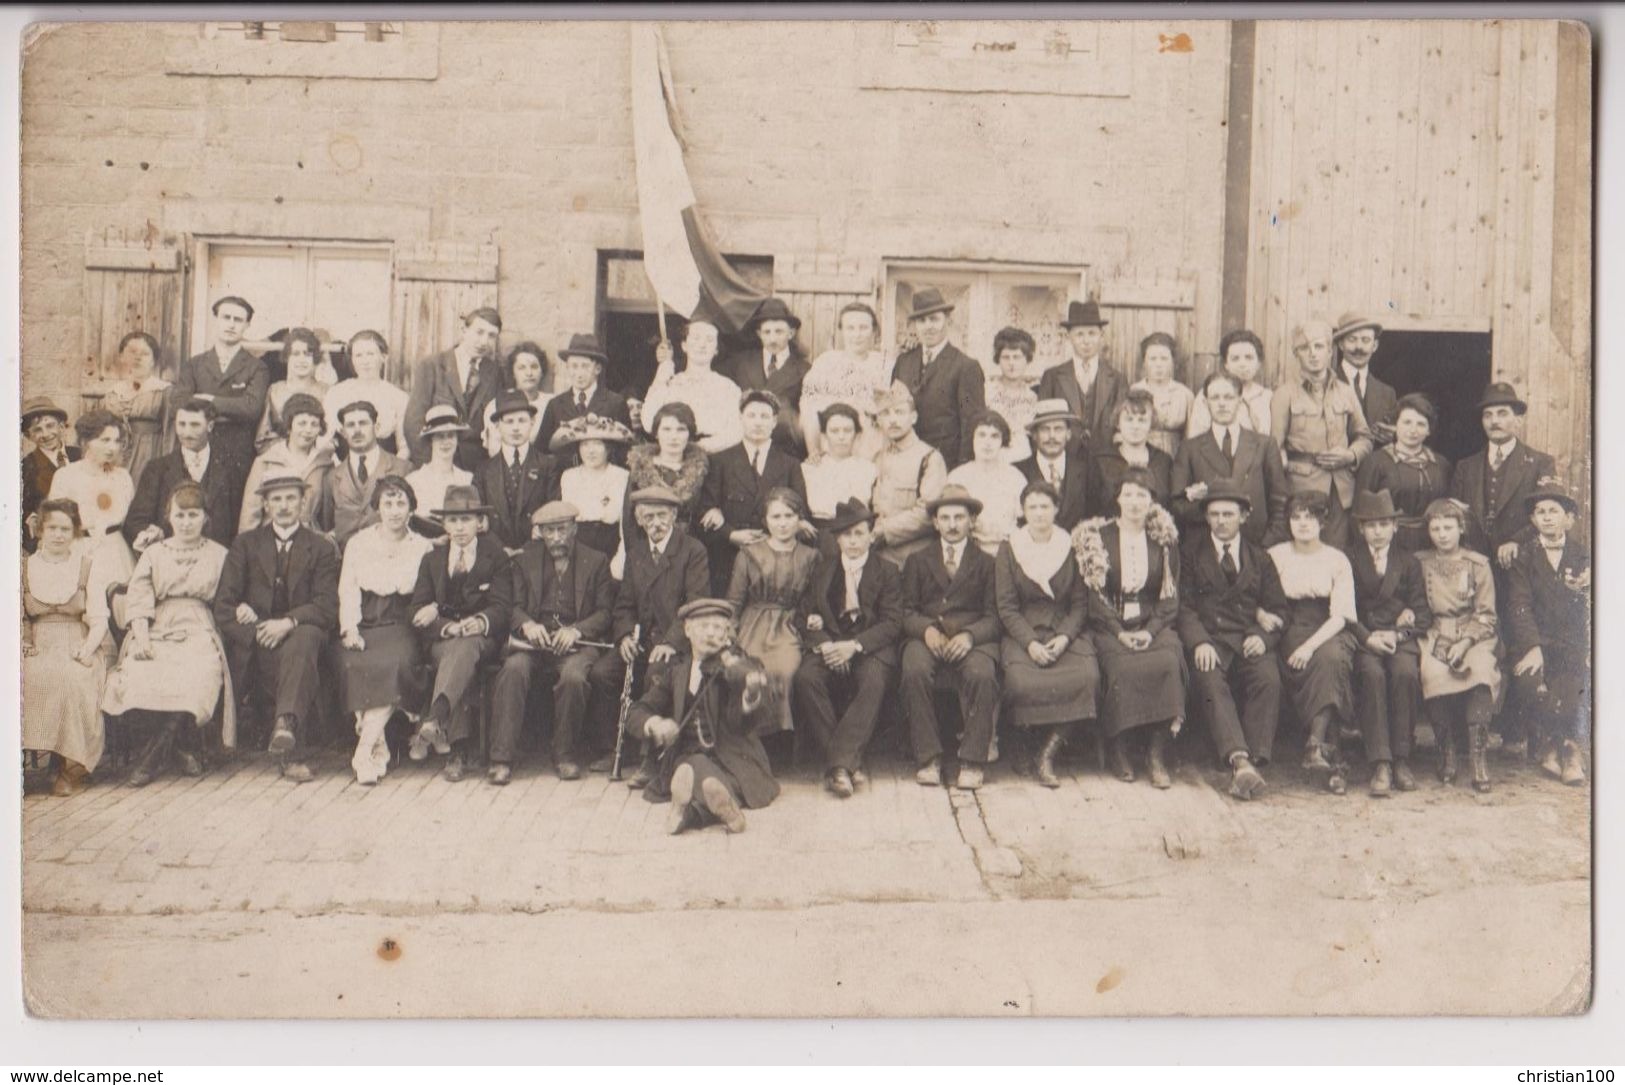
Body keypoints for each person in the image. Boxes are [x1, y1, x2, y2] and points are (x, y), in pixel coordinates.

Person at [102, 483, 234, 788]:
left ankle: (152, 758)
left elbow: (227, 599)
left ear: (205, 518)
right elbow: (139, 596)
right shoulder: (154, 553)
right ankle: (178, 748)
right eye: (180, 515)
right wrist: (142, 637)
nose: (186, 522)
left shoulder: (220, 554)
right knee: (140, 673)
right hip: (157, 625)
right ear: (169, 517)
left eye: (193, 515)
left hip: (199, 626)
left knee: (197, 676)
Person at [213, 471, 339, 783]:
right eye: (277, 500)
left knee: (305, 637)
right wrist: (257, 630)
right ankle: (286, 736)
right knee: (295, 651)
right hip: (258, 642)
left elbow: (326, 606)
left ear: (303, 503)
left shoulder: (320, 547)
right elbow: (224, 606)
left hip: (301, 636)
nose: (284, 506)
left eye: (291, 498)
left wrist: (288, 622)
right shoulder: (245, 545)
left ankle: (285, 727)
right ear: (266, 506)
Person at [624, 598, 779, 835]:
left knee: (699, 774)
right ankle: (727, 810)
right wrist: (655, 724)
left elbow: (747, 718)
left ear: (727, 633)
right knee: (695, 767)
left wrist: (749, 694)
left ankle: (690, 814)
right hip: (688, 754)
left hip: (732, 756)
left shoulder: (736, 663)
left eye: (718, 628)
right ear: (687, 630)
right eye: (704, 626)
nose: (711, 633)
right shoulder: (675, 671)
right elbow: (636, 711)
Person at [590, 486, 711, 786]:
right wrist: (624, 638)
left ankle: (650, 760)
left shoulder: (692, 550)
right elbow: (625, 605)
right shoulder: (636, 552)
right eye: (648, 517)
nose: (655, 523)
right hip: (642, 642)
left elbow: (695, 605)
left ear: (673, 516)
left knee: (658, 674)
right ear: (639, 520)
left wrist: (671, 642)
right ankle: (615, 748)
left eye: (661, 516)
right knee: (602, 672)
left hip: (679, 642)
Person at [1176, 481, 1287, 800]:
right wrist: (1198, 642)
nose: (1221, 520)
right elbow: (1183, 606)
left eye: (1228, 514)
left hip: (1247, 638)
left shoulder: (1259, 558)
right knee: (1210, 681)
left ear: (1244, 517)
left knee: (1268, 678)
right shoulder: (1191, 555)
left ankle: (1253, 759)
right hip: (1212, 639)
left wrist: (1263, 636)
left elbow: (1279, 609)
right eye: (1214, 514)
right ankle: (1240, 760)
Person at [1076, 470, 1187, 788]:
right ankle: (1120, 747)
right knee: (1120, 666)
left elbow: (1170, 596)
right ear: (1118, 499)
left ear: (1152, 501)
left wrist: (1150, 631)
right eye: (1129, 494)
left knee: (1167, 660)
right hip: (1110, 624)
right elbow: (1093, 598)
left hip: (1153, 623)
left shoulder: (1164, 540)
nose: (1135, 502)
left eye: (1142, 495)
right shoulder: (1098, 537)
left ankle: (1156, 751)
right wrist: (1120, 631)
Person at [491, 501, 615, 784]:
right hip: (534, 644)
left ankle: (565, 754)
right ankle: (501, 758)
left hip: (576, 644)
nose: (556, 537)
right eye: (549, 531)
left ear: (574, 529)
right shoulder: (524, 560)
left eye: (562, 529)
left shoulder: (596, 561)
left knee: (573, 677)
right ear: (540, 533)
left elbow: (606, 612)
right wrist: (528, 624)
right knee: (513, 670)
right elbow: (512, 605)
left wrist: (578, 631)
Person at [792, 499, 904, 797]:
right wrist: (827, 645)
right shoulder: (823, 569)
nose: (853, 542)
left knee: (874, 679)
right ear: (837, 538)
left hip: (868, 644)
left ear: (871, 535)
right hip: (831, 641)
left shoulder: (888, 571)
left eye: (859, 534)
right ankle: (847, 762)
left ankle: (837, 765)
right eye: (846, 535)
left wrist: (853, 646)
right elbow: (804, 615)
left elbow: (893, 623)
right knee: (806, 677)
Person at [995, 480, 1099, 789]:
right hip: (1023, 631)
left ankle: (1049, 751)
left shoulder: (1070, 545)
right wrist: (1029, 644)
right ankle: (1026, 745)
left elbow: (1080, 604)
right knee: (1020, 681)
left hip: (1064, 629)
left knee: (1086, 676)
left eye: (1045, 506)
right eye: (1032, 507)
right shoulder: (1009, 547)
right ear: (1022, 511)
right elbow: (1006, 606)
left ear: (1056, 509)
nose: (1039, 513)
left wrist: (1065, 637)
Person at [899, 484, 1001, 790]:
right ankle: (928, 757)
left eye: (960, 517)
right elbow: (904, 610)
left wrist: (970, 636)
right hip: (928, 635)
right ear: (935, 522)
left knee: (982, 674)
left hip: (973, 640)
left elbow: (995, 615)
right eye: (946, 518)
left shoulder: (987, 563)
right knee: (914, 669)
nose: (953, 524)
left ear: (971, 521)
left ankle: (972, 759)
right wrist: (925, 629)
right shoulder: (918, 560)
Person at [335, 475, 434, 786]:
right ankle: (377, 748)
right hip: (364, 621)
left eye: (401, 503)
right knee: (354, 663)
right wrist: (350, 629)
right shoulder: (359, 543)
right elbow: (348, 589)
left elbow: (428, 594)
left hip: (401, 625)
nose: (394, 510)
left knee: (394, 665)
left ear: (411, 508)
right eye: (387, 503)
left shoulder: (422, 546)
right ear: (377, 506)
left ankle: (362, 752)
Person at [407, 485, 511, 783]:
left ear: (480, 521)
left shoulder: (495, 555)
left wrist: (481, 621)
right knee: (456, 652)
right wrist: (445, 626)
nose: (460, 528)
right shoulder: (433, 559)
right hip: (444, 640)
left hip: (482, 639)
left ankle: (441, 725)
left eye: (467, 520)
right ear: (444, 525)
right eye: (453, 521)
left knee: (464, 649)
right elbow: (415, 608)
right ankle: (452, 741)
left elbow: (502, 606)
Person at [1266, 492, 1360, 794]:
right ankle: (1330, 752)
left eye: (1311, 517)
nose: (1303, 524)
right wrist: (1262, 615)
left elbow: (1342, 615)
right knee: (1302, 659)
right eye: (1296, 517)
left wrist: (1310, 646)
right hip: (1288, 623)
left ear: (1323, 522)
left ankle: (1315, 742)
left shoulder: (1336, 559)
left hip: (1328, 625)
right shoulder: (1276, 555)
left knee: (1331, 658)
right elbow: (1256, 596)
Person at [23, 499, 114, 796]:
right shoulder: (25, 566)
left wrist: (86, 649)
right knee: (20, 678)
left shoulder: (86, 566)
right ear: (40, 530)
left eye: (65, 528)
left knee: (70, 680)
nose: (59, 535)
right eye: (52, 528)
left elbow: (99, 619)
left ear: (75, 532)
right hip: (36, 643)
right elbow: (16, 615)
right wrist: (22, 643)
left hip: (77, 641)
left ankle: (69, 767)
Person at [1415, 498, 1504, 792]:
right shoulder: (1420, 563)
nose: (1442, 534)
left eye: (1448, 527)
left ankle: (1478, 758)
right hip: (1435, 630)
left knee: (1480, 672)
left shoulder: (1477, 564)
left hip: (1473, 632)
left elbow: (1487, 613)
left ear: (1460, 528)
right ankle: (1447, 751)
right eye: (1436, 528)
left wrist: (1466, 642)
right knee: (1432, 672)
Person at [1505, 479, 1589, 786]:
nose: (1547, 517)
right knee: (1532, 679)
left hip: (1570, 643)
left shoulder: (1584, 557)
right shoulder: (1524, 558)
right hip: (1533, 642)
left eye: (1555, 511)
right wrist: (1533, 646)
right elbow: (1519, 606)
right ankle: (1558, 748)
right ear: (1532, 520)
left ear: (1569, 518)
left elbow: (1589, 610)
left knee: (1572, 678)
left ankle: (1561, 749)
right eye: (1540, 512)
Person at [1347, 489, 1431, 796]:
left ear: (1395, 527)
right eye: (1371, 525)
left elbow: (1421, 618)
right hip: (1365, 637)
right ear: (1361, 529)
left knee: (1405, 673)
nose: (1378, 531)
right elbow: (1346, 611)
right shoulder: (1350, 559)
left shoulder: (1408, 562)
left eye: (1384, 524)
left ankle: (1402, 758)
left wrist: (1398, 635)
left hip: (1399, 638)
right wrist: (1368, 637)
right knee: (1372, 675)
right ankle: (1380, 761)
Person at [1271, 318, 1374, 549]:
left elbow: (1365, 436)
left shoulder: (1346, 393)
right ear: (1295, 354)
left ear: (1330, 351)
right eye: (1304, 348)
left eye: (1319, 346)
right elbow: (1274, 448)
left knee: (1337, 550)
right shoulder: (1284, 394)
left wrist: (1350, 455)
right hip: (1301, 489)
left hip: (1341, 491)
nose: (1313, 354)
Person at [726, 487, 819, 740]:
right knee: (750, 671)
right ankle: (750, 739)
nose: (783, 524)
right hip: (752, 624)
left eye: (789, 516)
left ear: (799, 519)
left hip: (789, 625)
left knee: (785, 670)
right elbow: (734, 601)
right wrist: (728, 634)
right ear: (765, 520)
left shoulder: (810, 557)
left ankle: (778, 741)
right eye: (775, 517)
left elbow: (814, 600)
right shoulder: (748, 554)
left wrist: (812, 616)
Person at [699, 389, 810, 594]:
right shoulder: (720, 461)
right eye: (751, 415)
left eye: (765, 416)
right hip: (728, 557)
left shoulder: (790, 464)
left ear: (775, 421)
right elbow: (706, 511)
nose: (758, 422)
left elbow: (801, 511)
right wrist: (731, 534)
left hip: (774, 562)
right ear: (740, 418)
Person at [1170, 371, 1290, 547]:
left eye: (1228, 397)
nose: (1222, 404)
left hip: (1256, 546)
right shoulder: (1190, 448)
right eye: (1215, 398)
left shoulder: (1264, 445)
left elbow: (1279, 502)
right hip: (1205, 550)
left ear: (1240, 401)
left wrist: (1266, 545)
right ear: (1205, 402)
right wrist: (1212, 508)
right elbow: (1177, 504)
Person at [171, 295, 267, 502]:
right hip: (197, 447)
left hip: (237, 451)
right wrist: (231, 410)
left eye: (238, 320)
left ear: (247, 325)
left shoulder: (256, 367)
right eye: (226, 317)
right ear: (216, 320)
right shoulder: (195, 364)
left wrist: (209, 400)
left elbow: (251, 408)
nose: (231, 324)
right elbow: (179, 402)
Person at [126, 397, 242, 551]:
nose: (187, 433)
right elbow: (135, 521)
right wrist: (150, 534)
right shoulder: (157, 469)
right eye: (181, 424)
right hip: (171, 560)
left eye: (195, 425)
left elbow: (238, 523)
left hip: (217, 562)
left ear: (210, 426)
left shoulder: (230, 468)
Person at [890, 288, 986, 469]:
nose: (928, 326)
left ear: (947, 321)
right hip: (905, 464)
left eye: (934, 319)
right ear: (915, 326)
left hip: (946, 464)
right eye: (922, 320)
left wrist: (962, 472)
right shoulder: (904, 361)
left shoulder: (966, 366)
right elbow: (892, 413)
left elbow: (971, 425)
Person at [402, 307, 505, 469]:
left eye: (491, 336)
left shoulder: (495, 373)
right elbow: (413, 423)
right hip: (435, 464)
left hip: (477, 469)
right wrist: (430, 465)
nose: (484, 341)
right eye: (479, 332)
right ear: (464, 330)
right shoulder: (433, 366)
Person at [1354, 392, 1452, 555]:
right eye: (1407, 422)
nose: (1413, 430)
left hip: (1433, 543)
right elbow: (1360, 514)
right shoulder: (1375, 462)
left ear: (1429, 430)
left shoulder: (1441, 465)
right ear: (1395, 425)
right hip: (1390, 545)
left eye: (1421, 424)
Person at [47, 409, 136, 582]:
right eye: (105, 440)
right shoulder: (66, 476)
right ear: (85, 442)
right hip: (77, 551)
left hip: (116, 554)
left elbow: (131, 521)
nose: (112, 447)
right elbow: (55, 523)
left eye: (117, 441)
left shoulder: (123, 477)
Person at [317, 400, 415, 551]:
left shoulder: (403, 469)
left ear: (376, 427)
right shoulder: (331, 477)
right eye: (350, 425)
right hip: (346, 563)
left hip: (391, 559)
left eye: (363, 423)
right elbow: (327, 525)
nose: (357, 430)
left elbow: (412, 522)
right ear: (343, 432)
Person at [798, 301, 891, 460]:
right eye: (850, 328)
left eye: (863, 328)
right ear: (841, 331)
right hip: (832, 452)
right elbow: (809, 412)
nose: (857, 334)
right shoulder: (826, 362)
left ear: (873, 331)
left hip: (873, 452)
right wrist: (813, 452)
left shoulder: (885, 364)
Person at [870, 381, 949, 568]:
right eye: (885, 414)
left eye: (899, 412)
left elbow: (928, 514)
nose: (893, 420)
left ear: (913, 417)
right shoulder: (877, 459)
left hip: (915, 560)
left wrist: (883, 531)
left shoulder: (929, 457)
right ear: (879, 421)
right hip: (880, 559)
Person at [640, 318, 744, 454]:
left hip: (716, 458)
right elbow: (648, 422)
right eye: (696, 338)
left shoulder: (728, 388)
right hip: (674, 456)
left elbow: (737, 430)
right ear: (684, 345)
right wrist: (662, 372)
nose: (702, 345)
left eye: (709, 340)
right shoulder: (669, 384)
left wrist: (701, 448)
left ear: (716, 349)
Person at [476, 388, 560, 553]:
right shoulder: (483, 470)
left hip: (536, 554)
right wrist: (501, 550)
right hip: (496, 557)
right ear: (497, 426)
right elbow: (479, 521)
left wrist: (527, 550)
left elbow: (552, 513)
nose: (516, 428)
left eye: (522, 420)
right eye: (509, 421)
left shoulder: (548, 465)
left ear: (533, 421)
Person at [725, 297, 809, 456]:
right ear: (759, 334)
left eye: (779, 332)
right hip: (743, 448)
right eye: (767, 332)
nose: (772, 339)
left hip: (784, 451)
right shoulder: (740, 363)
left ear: (790, 333)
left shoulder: (804, 370)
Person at [1038, 299, 1126, 450]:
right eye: (1079, 334)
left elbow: (1122, 425)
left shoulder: (1117, 379)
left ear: (1101, 335)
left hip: (1103, 459)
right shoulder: (1052, 377)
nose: (1086, 341)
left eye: (1092, 333)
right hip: (1065, 457)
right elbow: (1043, 423)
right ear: (1068, 337)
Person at [239, 393, 331, 535]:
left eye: (314, 424)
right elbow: (250, 513)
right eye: (302, 423)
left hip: (310, 540)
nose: (308, 430)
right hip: (270, 539)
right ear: (289, 425)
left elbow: (327, 515)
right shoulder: (266, 461)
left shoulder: (324, 464)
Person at [536, 333, 632, 463]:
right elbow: (541, 450)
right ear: (568, 368)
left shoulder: (615, 402)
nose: (579, 374)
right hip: (563, 478)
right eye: (574, 366)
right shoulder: (555, 405)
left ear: (597, 369)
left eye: (585, 366)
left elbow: (626, 448)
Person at [551, 413, 635, 561]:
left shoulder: (621, 476)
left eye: (597, 444)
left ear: (608, 448)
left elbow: (626, 525)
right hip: (576, 550)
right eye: (585, 444)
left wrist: (620, 560)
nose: (591, 451)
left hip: (611, 549)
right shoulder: (569, 477)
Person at [625, 401, 710, 541]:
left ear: (689, 434)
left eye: (681, 429)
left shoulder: (702, 469)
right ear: (656, 433)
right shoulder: (639, 468)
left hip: (691, 548)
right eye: (666, 429)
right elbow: (629, 520)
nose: (673, 437)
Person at [1084, 389, 1174, 520]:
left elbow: (1168, 508)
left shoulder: (1163, 461)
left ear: (1151, 423)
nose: (1135, 426)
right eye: (1129, 419)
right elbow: (1091, 509)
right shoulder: (1101, 460)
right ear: (1118, 423)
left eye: (1142, 420)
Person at [947, 411, 1028, 555]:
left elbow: (1024, 522)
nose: (987, 442)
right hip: (969, 553)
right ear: (972, 438)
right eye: (981, 435)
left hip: (1008, 553)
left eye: (994, 436)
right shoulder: (957, 477)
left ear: (1003, 441)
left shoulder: (1015, 478)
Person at [101, 330, 171, 487]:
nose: (138, 357)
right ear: (121, 357)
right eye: (132, 352)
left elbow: (170, 433)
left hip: (150, 453)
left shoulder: (163, 391)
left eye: (145, 354)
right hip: (116, 454)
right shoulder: (112, 393)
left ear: (154, 361)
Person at [324, 330, 409, 457]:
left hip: (385, 470)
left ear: (384, 357)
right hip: (342, 469)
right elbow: (326, 440)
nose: (365, 361)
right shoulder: (336, 393)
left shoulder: (398, 397)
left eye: (370, 354)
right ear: (351, 359)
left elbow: (404, 448)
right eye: (358, 355)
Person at [801, 403, 879, 537]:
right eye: (834, 431)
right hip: (818, 535)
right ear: (824, 435)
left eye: (847, 430)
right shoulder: (809, 469)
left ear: (857, 435)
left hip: (856, 535)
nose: (841, 437)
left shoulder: (869, 469)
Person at [1013, 400, 1090, 531]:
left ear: (1068, 434)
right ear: (1034, 436)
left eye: (1058, 429)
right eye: (1045, 429)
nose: (1052, 436)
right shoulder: (1017, 472)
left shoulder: (1087, 469)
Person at [1186, 329, 1276, 439]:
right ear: (1226, 364)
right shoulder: (1209, 394)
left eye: (1249, 358)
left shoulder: (1267, 397)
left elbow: (1272, 440)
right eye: (1235, 359)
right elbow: (1197, 437)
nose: (1242, 364)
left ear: (1258, 363)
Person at [255, 328, 332, 454]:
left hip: (317, 459)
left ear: (316, 359)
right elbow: (262, 438)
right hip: (280, 459)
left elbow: (331, 437)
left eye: (307, 354)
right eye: (295, 354)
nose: (301, 360)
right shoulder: (275, 390)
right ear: (286, 357)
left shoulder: (326, 391)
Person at [22, 396, 80, 554]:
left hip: (83, 536)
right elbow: (23, 512)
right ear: (29, 436)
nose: (45, 434)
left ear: (61, 426)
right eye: (37, 430)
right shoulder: (27, 467)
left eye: (50, 426)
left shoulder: (80, 455)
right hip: (52, 542)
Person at [403, 405, 474, 533]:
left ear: (457, 439)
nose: (446, 442)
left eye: (451, 435)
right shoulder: (413, 481)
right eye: (440, 436)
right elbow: (407, 528)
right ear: (430, 441)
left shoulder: (467, 479)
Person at [1333, 312, 1398, 446]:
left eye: (1365, 340)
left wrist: (1395, 436)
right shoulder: (1326, 384)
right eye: (1352, 340)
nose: (1359, 347)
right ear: (1341, 344)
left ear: (1374, 346)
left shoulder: (1387, 393)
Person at [481, 341, 554, 458]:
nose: (529, 373)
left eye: (534, 367)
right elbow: (494, 451)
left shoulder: (552, 403)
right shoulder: (496, 405)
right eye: (521, 368)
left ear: (542, 371)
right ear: (513, 373)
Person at [1132, 331, 1194, 459]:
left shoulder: (1184, 394)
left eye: (1164, 358)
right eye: (1153, 359)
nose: (1158, 364)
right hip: (1142, 456)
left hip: (1176, 458)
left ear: (1173, 362)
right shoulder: (1135, 390)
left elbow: (1191, 435)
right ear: (1144, 362)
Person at [984, 326, 1040, 464]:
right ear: (998, 359)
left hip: (1024, 460)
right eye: (1006, 357)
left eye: (1017, 357)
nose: (1011, 363)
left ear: (1027, 359)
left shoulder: (1033, 397)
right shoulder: (987, 391)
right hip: (993, 458)